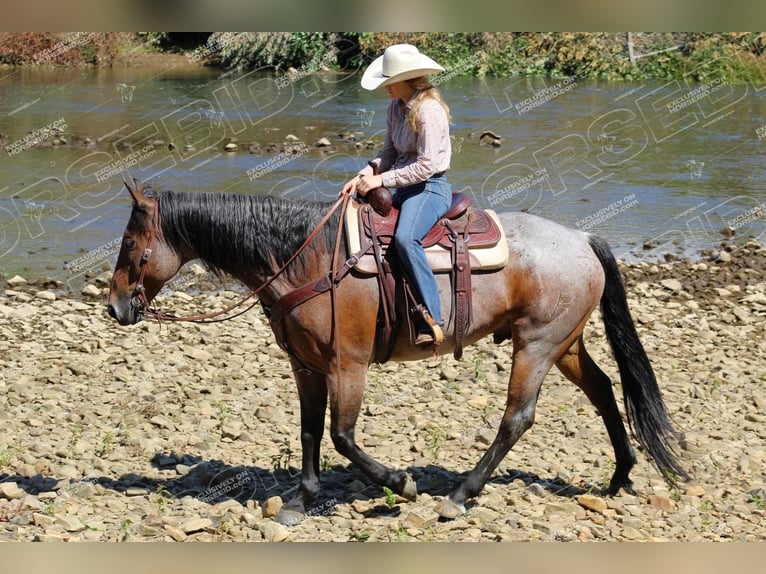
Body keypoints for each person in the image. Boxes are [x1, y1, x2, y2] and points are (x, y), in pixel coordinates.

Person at [342, 43, 452, 348]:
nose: (386, 87)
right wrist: (362, 176)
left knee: (405, 239)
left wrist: (381, 179)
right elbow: (388, 153)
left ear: (407, 79)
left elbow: (426, 167)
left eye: (390, 80)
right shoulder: (395, 108)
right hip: (403, 186)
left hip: (429, 188)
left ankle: (433, 317)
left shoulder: (429, 110)